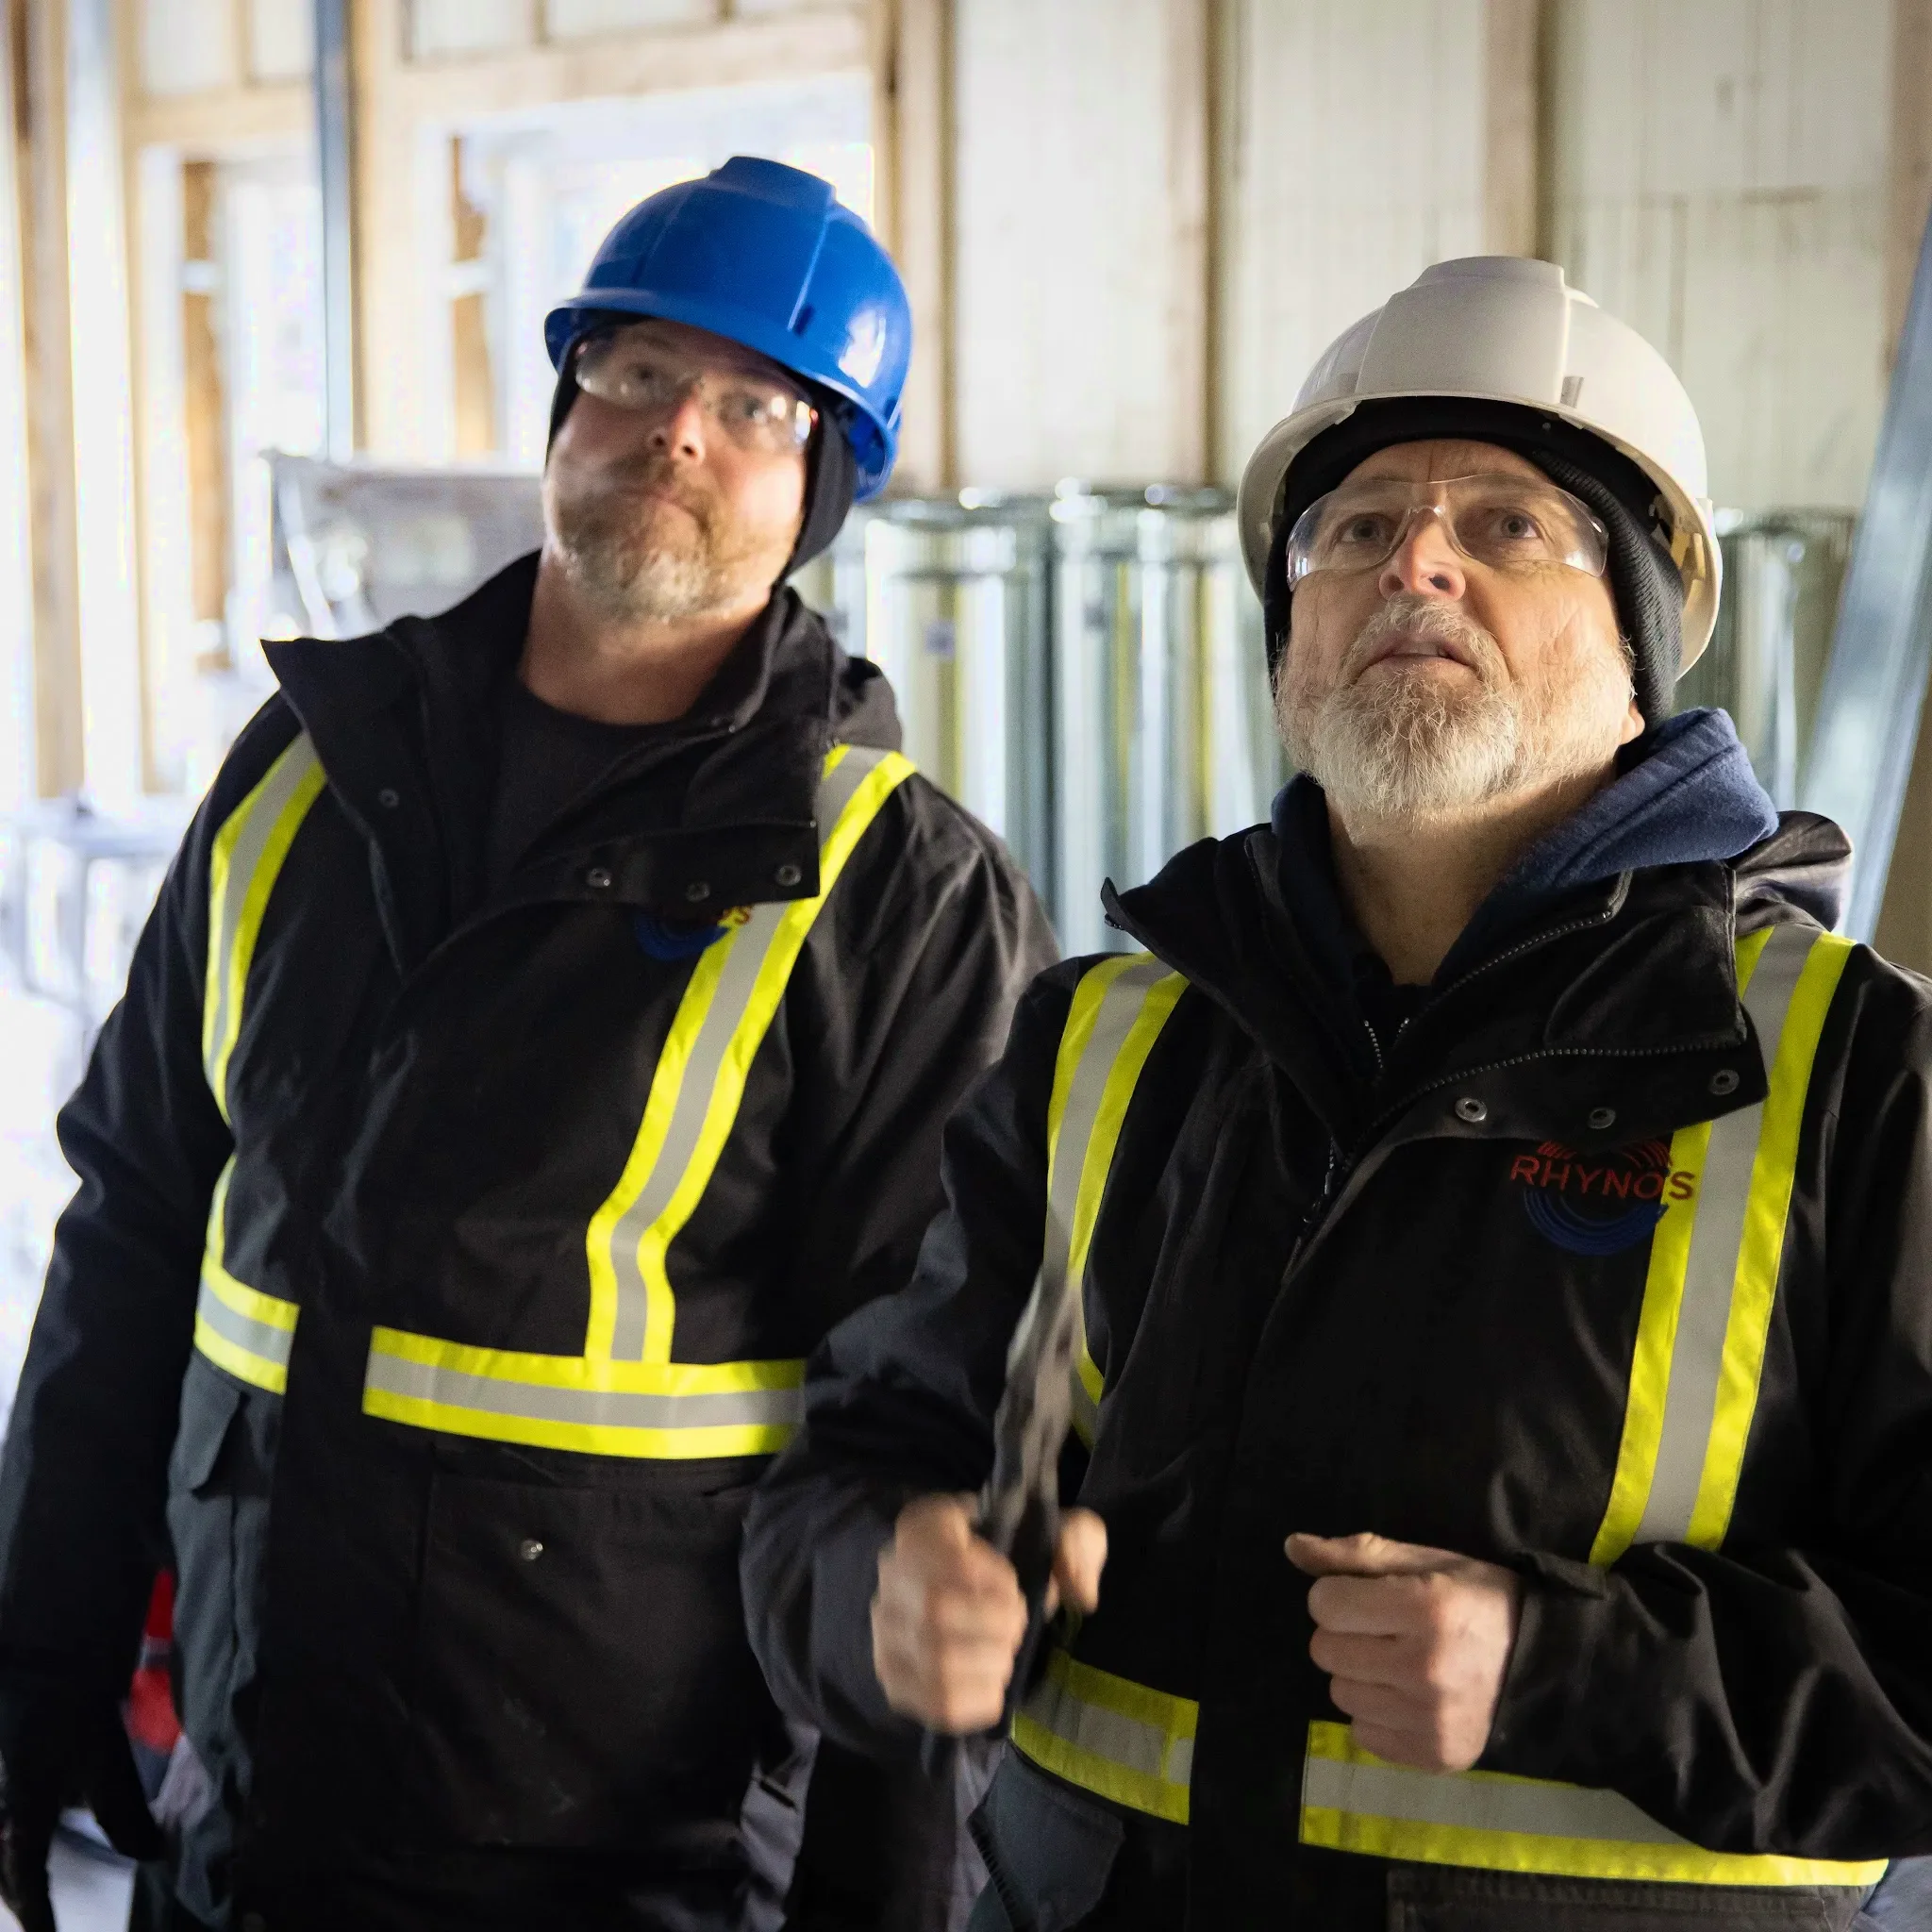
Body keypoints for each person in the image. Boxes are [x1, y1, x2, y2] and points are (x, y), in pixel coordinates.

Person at [741, 255, 1932, 1929]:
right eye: (1354, 529)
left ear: (1638, 637)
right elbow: (857, 1465)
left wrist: (1567, 1671)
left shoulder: (1853, 1073)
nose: (1415, 562)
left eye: (1509, 524)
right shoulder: (1106, 1041)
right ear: (1290, 632)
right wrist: (871, 1584)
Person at [0, 156, 1054, 1932]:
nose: (679, 431)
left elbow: (921, 1459)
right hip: (251, 1824)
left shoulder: (893, 894)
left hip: (637, 1877)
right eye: (637, 372)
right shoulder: (308, 776)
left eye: (758, 407)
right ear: (566, 405)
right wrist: (40, 1656)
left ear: (821, 489)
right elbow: (133, 1230)